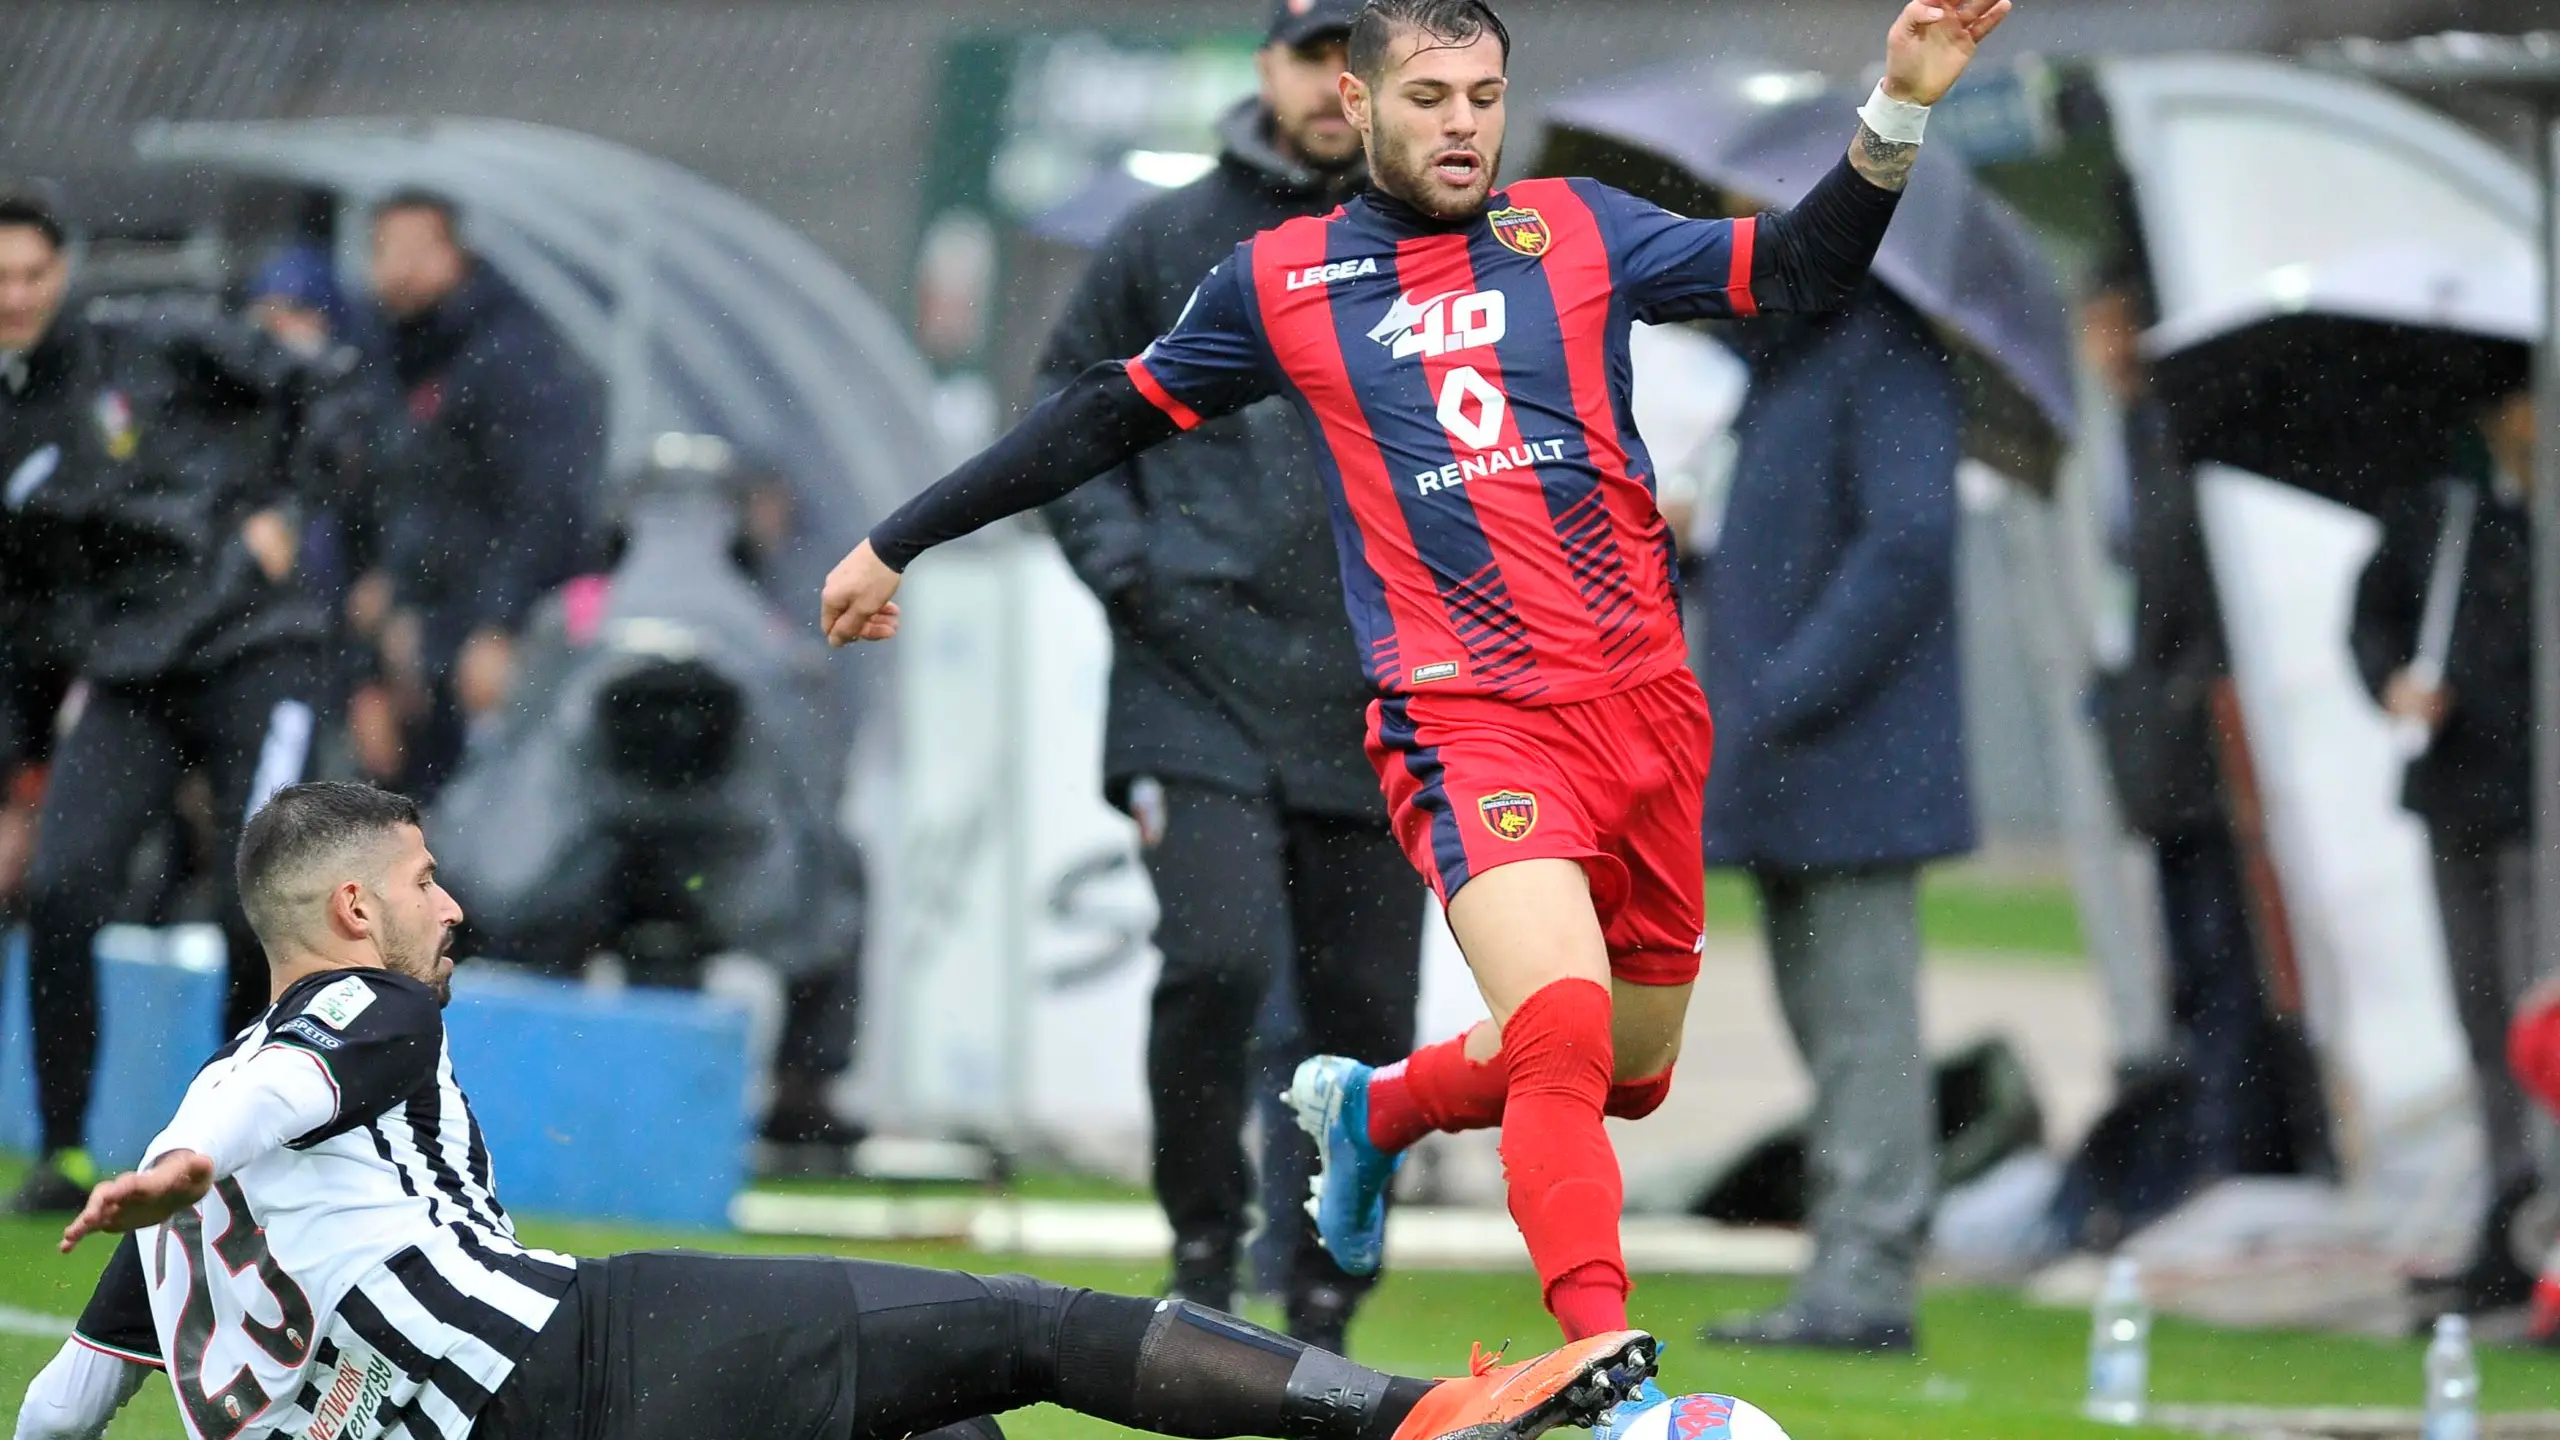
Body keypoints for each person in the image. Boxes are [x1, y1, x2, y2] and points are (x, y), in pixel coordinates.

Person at [821, 0, 2012, 1378]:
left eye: (1485, 95)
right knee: (1559, 1027)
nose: (1463, 124)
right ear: (1359, 101)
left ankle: (1382, 1111)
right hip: (1466, 719)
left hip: (1641, 713)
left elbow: (1798, 269)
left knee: (1629, 1074)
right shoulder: (1283, 281)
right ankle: (1600, 1361)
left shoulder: (1577, 228)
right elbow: (1099, 410)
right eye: (1432, 96)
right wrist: (896, 536)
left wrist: (1901, 105)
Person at [11, 780, 1660, 1440]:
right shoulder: (347, 1021)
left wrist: (173, 1176)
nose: (451, 907)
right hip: (588, 1366)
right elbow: (301, 1074)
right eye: (425, 880)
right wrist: (180, 1162)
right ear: (355, 914)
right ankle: (1420, 1420)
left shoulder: (184, 1214)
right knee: (1021, 1325)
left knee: (929, 1412)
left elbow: (68, 1407)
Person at [1038, 0, 1423, 1347]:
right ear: (1266, 68)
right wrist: (1134, 574)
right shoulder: (1165, 237)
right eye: (1316, 54)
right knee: (1215, 960)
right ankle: (1204, 1251)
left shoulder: (1442, 241)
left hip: (1381, 689)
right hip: (1190, 681)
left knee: (1371, 1016)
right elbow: (1065, 410)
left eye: (1361, 58)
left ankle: (1329, 1289)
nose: (1337, 83)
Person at [0, 190, 341, 1215]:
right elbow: (17, 612)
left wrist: (289, 510)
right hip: (130, 672)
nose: (15, 296)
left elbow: (326, 394)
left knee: (263, 895)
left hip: (254, 648)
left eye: (31, 275)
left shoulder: (160, 340)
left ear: (65, 275)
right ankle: (60, 1152)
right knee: (62, 886)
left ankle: (229, 1147)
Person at [1690, 284, 1970, 1353]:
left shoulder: (1883, 352)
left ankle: (1866, 1284)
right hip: (1782, 761)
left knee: (1861, 1028)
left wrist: (1783, 688)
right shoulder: (1777, 360)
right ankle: (1844, 1265)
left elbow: (1907, 541)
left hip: (1858, 759)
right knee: (1823, 1021)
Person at [2084, 282, 2296, 1207]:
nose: (2103, 349)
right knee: (2194, 955)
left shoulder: (2181, 439)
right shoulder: (2129, 441)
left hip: (2199, 750)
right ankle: (2211, 1141)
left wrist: (2170, 705)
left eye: (2114, 325)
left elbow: (2184, 601)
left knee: (2224, 951)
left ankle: (2235, 1146)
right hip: (2161, 748)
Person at [2351, 387, 2541, 1314]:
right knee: (2482, 1012)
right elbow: (2373, 617)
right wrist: (2395, 686)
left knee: (2537, 1018)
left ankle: (2538, 1208)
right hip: (2461, 795)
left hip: (2541, 809)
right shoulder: (2439, 511)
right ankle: (2513, 1203)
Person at [360, 189, 604, 798]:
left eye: (418, 247)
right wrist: (391, 618)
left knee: (499, 810)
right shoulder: (392, 357)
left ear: (458, 253)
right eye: (385, 249)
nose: (399, 268)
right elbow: (397, 502)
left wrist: (501, 626)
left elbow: (547, 501)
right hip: (425, 636)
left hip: (489, 636)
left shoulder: (510, 353)